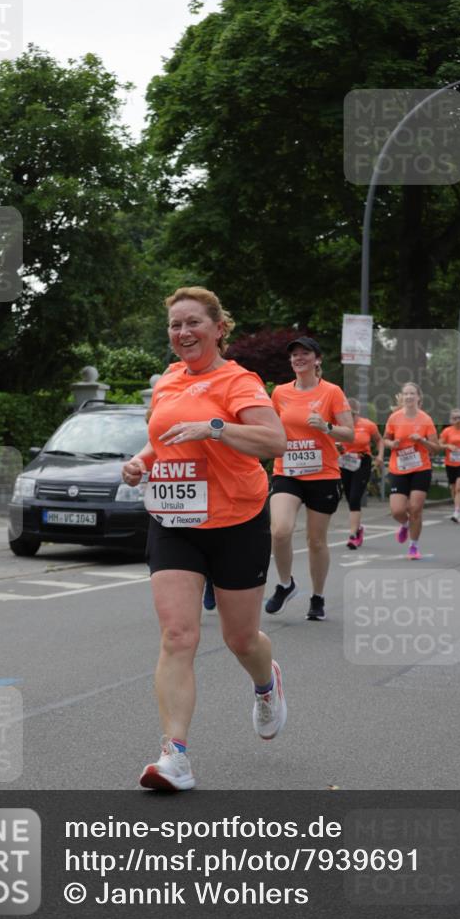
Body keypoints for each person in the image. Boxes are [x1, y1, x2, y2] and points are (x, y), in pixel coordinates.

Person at [121, 286, 288, 791]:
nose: (183, 333)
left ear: (219, 328)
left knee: (240, 639)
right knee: (178, 636)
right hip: (175, 519)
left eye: (193, 322)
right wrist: (141, 462)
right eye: (175, 325)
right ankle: (175, 756)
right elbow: (160, 438)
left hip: (237, 519)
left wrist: (213, 428)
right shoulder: (169, 380)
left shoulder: (239, 381)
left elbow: (274, 440)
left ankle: (266, 683)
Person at [265, 337, 354, 621]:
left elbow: (349, 433)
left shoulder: (332, 392)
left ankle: (317, 597)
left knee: (316, 541)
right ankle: (285, 583)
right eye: (294, 355)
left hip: (323, 474)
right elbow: (269, 427)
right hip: (287, 471)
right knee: (279, 530)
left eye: (305, 353)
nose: (298, 358)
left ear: (317, 360)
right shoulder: (279, 393)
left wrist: (327, 427)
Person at [383, 382, 440, 560]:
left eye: (412, 393)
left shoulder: (426, 419)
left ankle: (413, 546)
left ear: (418, 397)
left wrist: (422, 441)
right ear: (402, 397)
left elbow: (436, 448)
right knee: (397, 511)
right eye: (405, 394)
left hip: (420, 468)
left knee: (415, 509)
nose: (408, 397)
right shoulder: (394, 418)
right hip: (398, 469)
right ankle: (405, 524)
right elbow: (385, 439)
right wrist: (392, 444)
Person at [336, 397, 384, 549]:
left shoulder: (368, 425)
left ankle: (353, 534)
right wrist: (337, 448)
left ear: (357, 413)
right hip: (344, 462)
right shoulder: (340, 425)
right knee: (350, 496)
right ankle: (358, 527)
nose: (350, 418)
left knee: (356, 497)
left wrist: (380, 456)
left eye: (353, 415)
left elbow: (379, 440)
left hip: (362, 461)